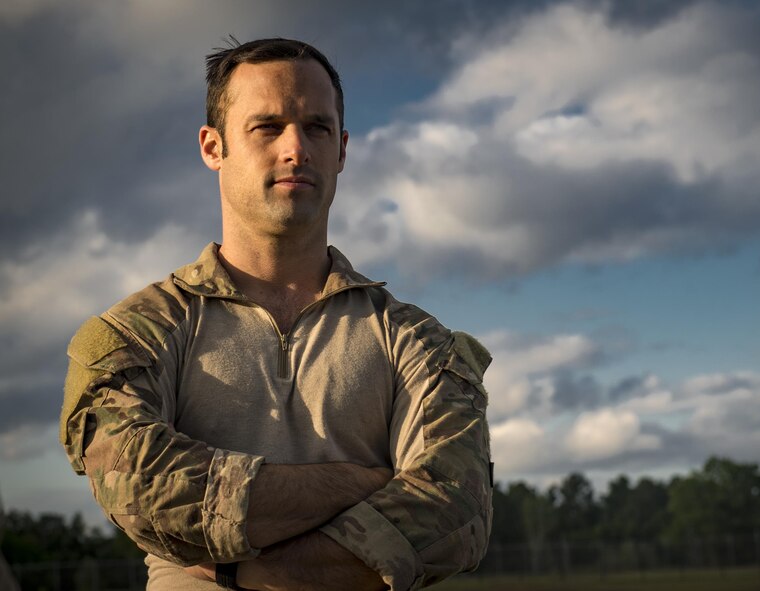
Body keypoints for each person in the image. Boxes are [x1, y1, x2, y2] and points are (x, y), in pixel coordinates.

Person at [60, 38, 493, 591]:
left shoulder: (415, 341)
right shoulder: (137, 333)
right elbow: (141, 487)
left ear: (341, 150)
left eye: (317, 128)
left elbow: (455, 511)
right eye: (267, 127)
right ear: (213, 147)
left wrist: (248, 573)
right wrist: (357, 484)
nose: (297, 149)